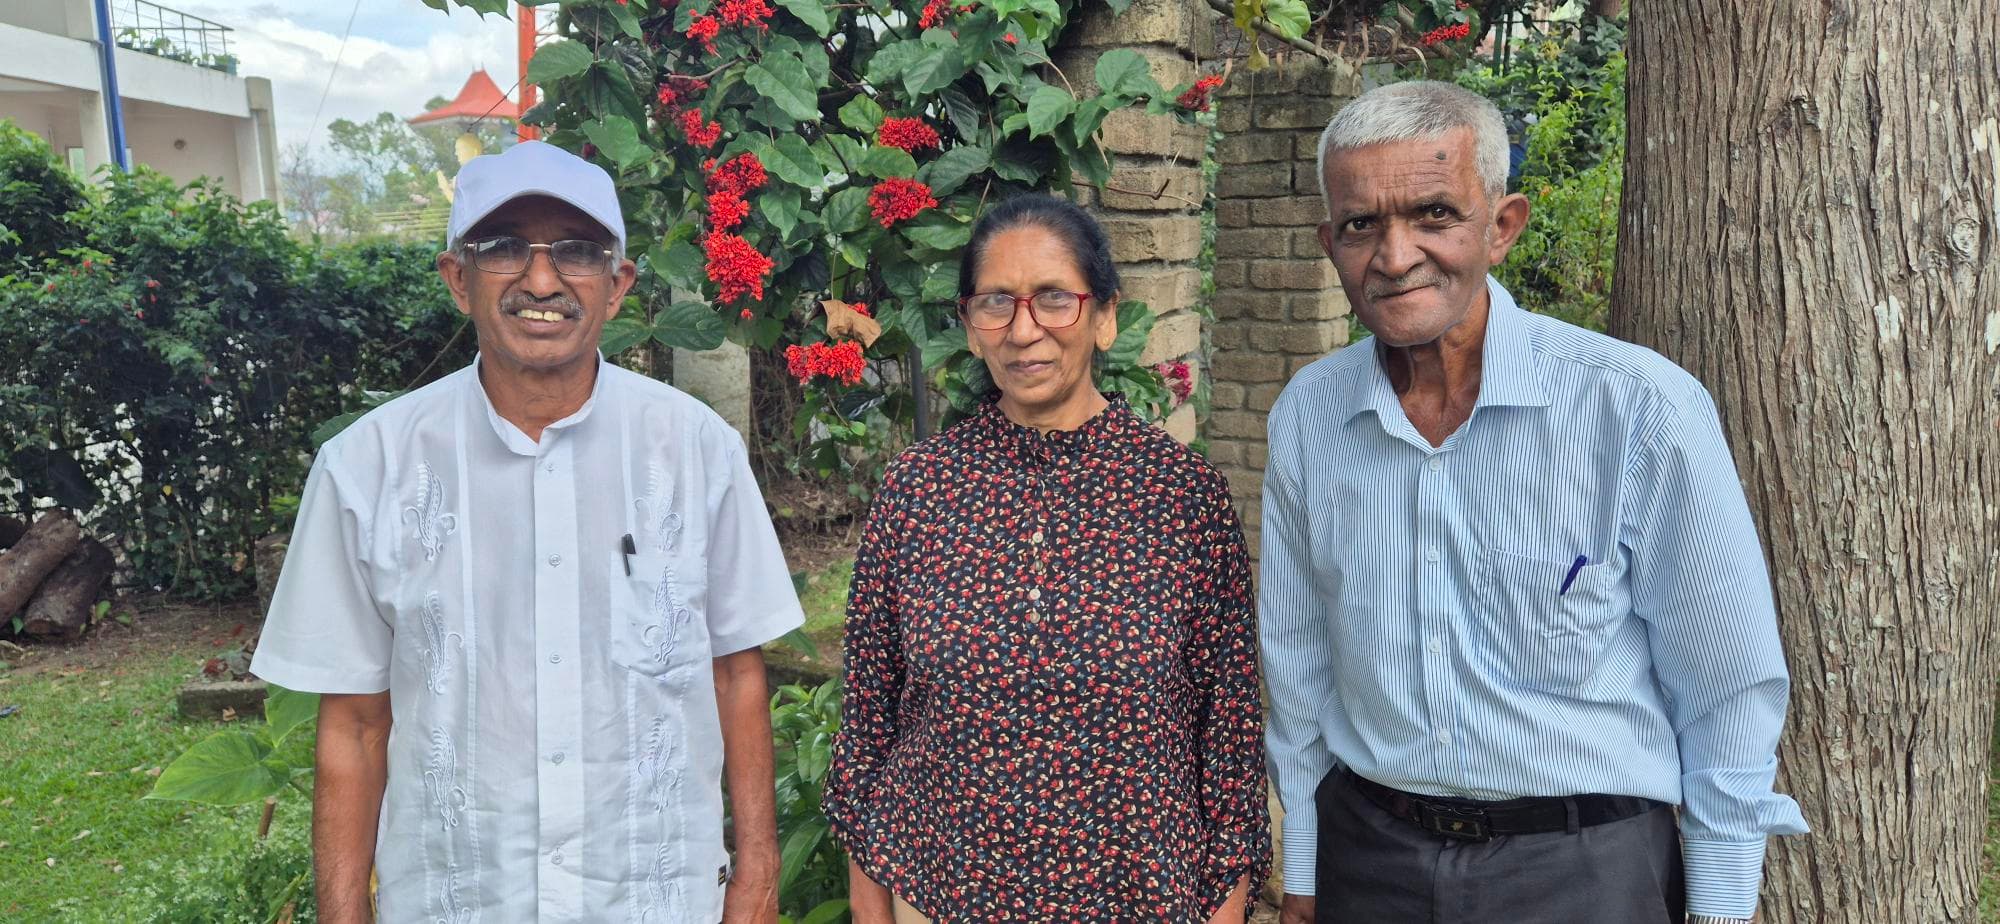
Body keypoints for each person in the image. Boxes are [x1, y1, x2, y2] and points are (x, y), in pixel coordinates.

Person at [1259, 81, 1809, 924]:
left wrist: (1724, 906)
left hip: (1584, 874)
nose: (1394, 255)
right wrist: (1304, 863)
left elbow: (1727, 685)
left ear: (1502, 226)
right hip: (1370, 862)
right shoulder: (1310, 414)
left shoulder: (1636, 410)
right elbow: (1296, 661)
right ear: (1330, 242)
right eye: (1362, 224)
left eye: (1434, 213)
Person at [250, 140, 805, 923]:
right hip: (458, 901)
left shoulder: (694, 449)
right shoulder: (366, 468)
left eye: (577, 253)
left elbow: (737, 677)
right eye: (505, 248)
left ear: (617, 287)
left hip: (653, 897)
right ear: (458, 278)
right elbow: (354, 724)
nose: (542, 280)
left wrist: (757, 876)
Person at [822, 195, 1270, 923]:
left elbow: (1230, 745)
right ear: (970, 328)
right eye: (997, 302)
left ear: (1105, 316)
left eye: (1055, 298)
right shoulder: (918, 492)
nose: (1024, 329)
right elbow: (869, 728)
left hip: (1140, 896)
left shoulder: (1181, 498)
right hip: (943, 894)